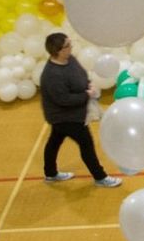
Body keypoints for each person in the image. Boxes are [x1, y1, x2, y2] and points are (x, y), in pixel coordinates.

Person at [40, 33, 120, 187]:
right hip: (65, 117)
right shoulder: (52, 75)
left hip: (69, 114)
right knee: (86, 145)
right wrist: (86, 95)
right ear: (58, 51)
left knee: (54, 141)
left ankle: (50, 173)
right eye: (68, 45)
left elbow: (81, 75)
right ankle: (100, 177)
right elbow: (63, 100)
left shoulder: (70, 60)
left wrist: (88, 84)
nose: (71, 47)